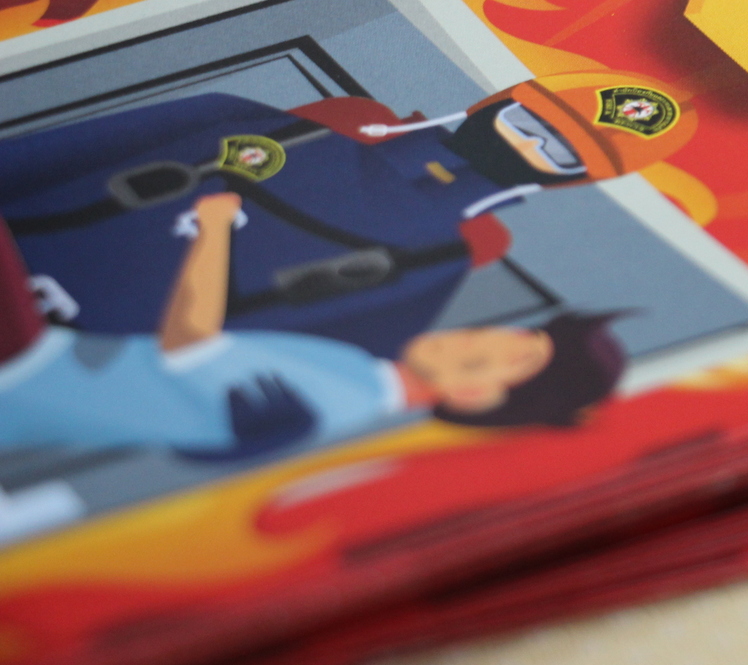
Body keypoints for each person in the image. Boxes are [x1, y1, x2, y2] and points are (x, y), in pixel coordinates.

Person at [0, 70, 693, 360]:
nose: (528, 147)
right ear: (498, 103)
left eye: (556, 153)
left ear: (571, 180)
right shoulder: (262, 124)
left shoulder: (431, 263)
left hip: (52, 357)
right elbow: (43, 156)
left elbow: (300, 369)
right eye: (528, 124)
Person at [0, 195, 625, 460]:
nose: (485, 337)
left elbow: (189, 344)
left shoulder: (342, 396)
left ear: (478, 397)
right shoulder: (354, 379)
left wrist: (214, 227)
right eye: (514, 334)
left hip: (31, 370)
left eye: (514, 357)